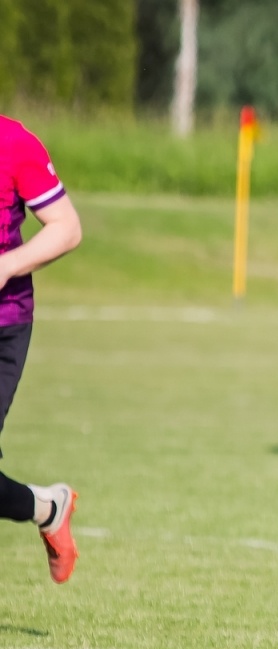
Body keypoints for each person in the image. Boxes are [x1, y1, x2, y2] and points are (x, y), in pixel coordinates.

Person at [0, 114, 82, 583]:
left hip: (4, 323)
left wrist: (6, 265)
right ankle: (48, 508)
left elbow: (66, 228)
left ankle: (49, 508)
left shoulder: (14, 143)